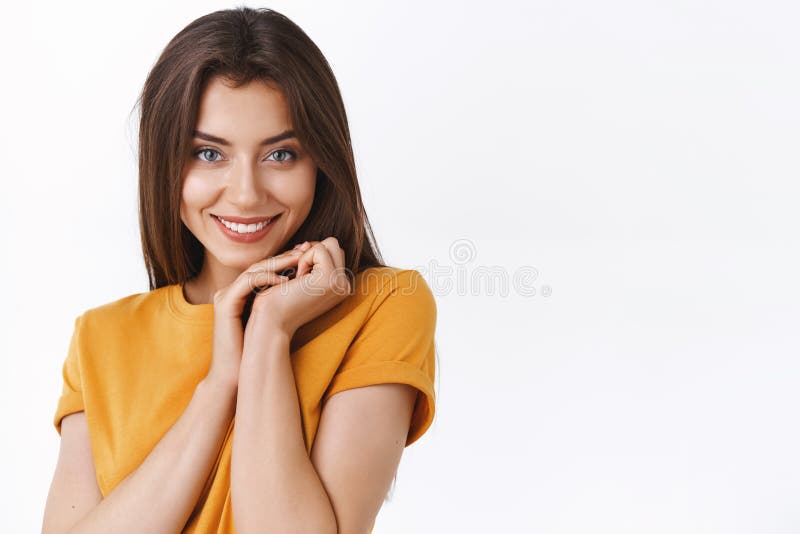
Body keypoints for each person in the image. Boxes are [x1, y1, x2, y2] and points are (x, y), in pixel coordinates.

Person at [42, 7, 438, 534]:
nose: (247, 194)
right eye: (209, 153)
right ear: (163, 163)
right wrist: (219, 383)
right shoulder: (101, 338)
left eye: (280, 154)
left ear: (321, 160)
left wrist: (271, 332)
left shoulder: (382, 305)